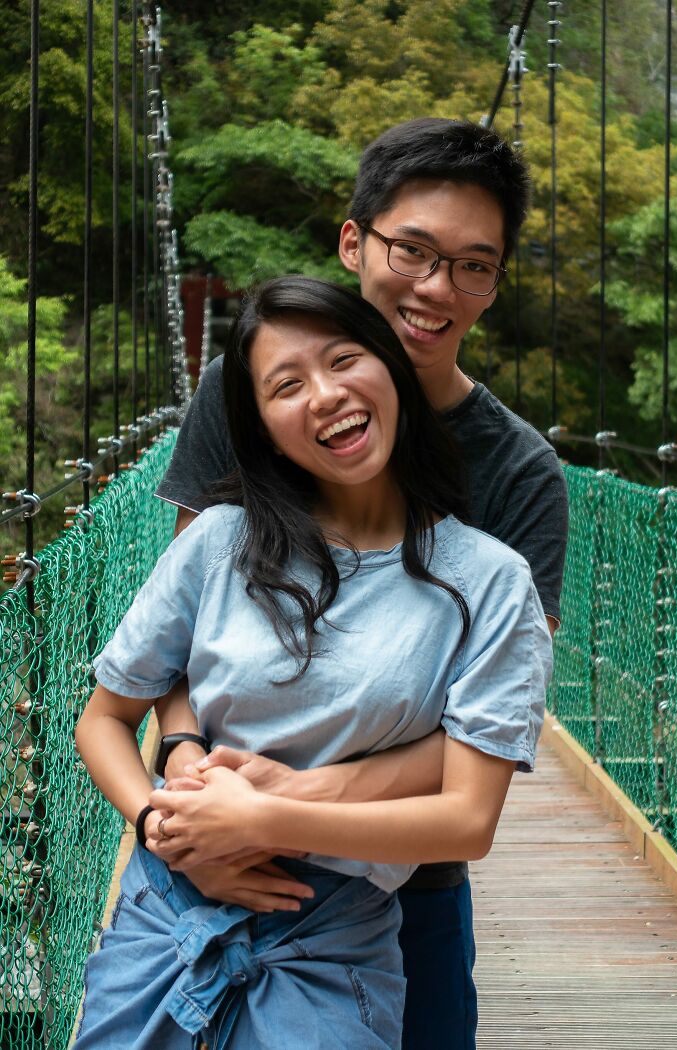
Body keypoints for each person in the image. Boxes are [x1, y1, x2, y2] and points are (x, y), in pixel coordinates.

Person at [154, 118, 569, 1049]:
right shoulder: (245, 395)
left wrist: (292, 804)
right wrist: (184, 778)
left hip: (405, 879)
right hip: (210, 858)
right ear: (354, 242)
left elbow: (500, 719)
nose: (437, 288)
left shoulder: (518, 474)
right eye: (412, 250)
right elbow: (177, 638)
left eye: (474, 266)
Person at [74, 277, 552, 1050]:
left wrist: (266, 819)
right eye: (286, 385)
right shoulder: (219, 541)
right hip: (167, 898)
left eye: (344, 359)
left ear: (392, 370)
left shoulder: (490, 581)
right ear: (263, 427)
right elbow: (104, 718)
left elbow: (468, 821)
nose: (326, 395)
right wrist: (158, 822)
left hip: (330, 928)